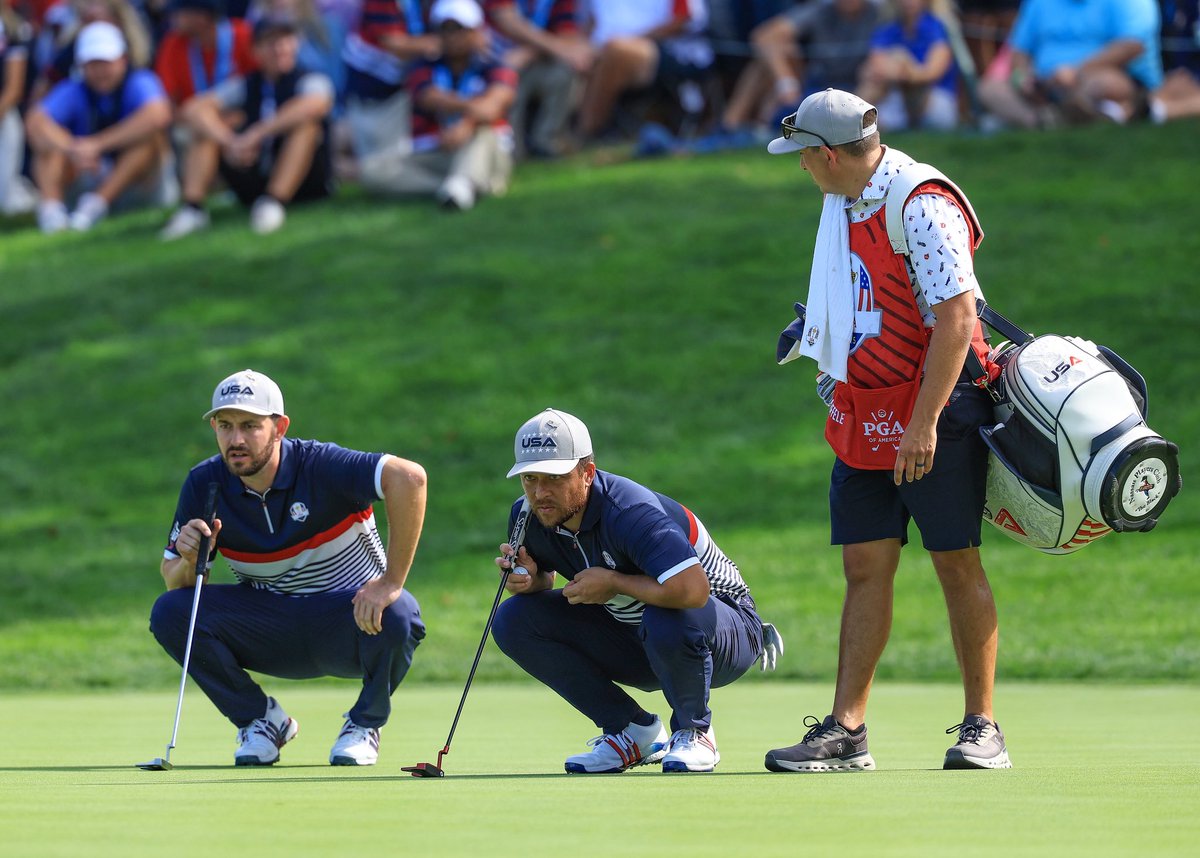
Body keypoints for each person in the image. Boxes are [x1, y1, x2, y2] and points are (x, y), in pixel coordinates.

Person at [763, 88, 1011, 772]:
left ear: (830, 154)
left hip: (938, 406)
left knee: (955, 559)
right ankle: (847, 731)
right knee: (863, 565)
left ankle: (983, 726)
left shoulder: (920, 204)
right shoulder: (840, 200)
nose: (801, 169)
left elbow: (958, 319)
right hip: (865, 404)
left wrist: (925, 423)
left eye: (804, 158)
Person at [149, 368, 427, 767]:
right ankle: (260, 721)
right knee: (170, 612)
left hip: (349, 620)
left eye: (249, 426)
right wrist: (191, 559)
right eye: (224, 426)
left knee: (400, 610)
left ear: (279, 427)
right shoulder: (205, 482)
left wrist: (391, 581)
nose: (236, 440)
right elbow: (177, 584)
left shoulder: (322, 465)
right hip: (271, 625)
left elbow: (410, 478)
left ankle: (364, 724)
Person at [491, 408, 781, 774]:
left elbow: (692, 591)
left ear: (587, 473)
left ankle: (695, 731)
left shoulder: (629, 511)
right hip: (641, 637)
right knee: (513, 619)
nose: (540, 492)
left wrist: (613, 583)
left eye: (554, 478)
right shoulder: (529, 515)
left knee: (663, 610)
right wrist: (529, 580)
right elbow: (545, 580)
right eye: (529, 478)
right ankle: (631, 731)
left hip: (725, 631)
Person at [160, 14, 335, 238]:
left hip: (308, 182)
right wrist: (231, 141)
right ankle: (192, 208)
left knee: (306, 126)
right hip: (254, 172)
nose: (280, 48)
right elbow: (195, 109)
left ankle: (274, 202)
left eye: (286, 40)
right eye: (271, 43)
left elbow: (315, 105)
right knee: (206, 130)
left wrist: (257, 133)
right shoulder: (248, 84)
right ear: (256, 51)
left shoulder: (310, 79)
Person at [358, 0, 515, 211]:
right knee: (372, 172)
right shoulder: (422, 68)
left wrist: (467, 124)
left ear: (477, 31)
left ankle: (464, 184)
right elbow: (429, 97)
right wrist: (473, 107)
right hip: (437, 151)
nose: (454, 37)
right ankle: (459, 187)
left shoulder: (495, 66)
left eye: (461, 30)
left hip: (485, 149)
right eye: (446, 30)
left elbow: (492, 107)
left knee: (482, 132)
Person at [26, 20, 176, 232]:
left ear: (123, 59)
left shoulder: (140, 81)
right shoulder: (74, 89)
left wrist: (98, 144)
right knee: (47, 146)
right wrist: (72, 148)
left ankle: (96, 204)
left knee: (150, 141)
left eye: (106, 62)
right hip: (89, 172)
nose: (99, 71)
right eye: (92, 64)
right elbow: (36, 121)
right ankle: (52, 213)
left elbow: (158, 115)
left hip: (139, 183)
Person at [976, 0, 1162, 128]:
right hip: (1044, 85)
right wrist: (1023, 78)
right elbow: (1019, 50)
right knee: (990, 88)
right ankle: (1041, 121)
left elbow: (1133, 46)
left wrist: (1076, 71)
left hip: (1095, 78)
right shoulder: (1039, 3)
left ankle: (1079, 113)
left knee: (1105, 83)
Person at [715, 0, 883, 138]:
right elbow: (763, 36)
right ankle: (730, 128)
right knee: (778, 52)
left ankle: (852, 126)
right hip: (815, 88)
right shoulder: (821, 9)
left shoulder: (879, 14)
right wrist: (786, 82)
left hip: (860, 90)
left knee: (879, 69)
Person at [575, 0, 714, 142]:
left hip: (672, 50)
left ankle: (586, 131)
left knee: (617, 52)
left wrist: (633, 40)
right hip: (603, 49)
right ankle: (572, 129)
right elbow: (589, 22)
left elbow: (684, 20)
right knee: (579, 56)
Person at [483, 0, 589, 158]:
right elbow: (508, 21)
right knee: (507, 80)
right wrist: (558, 48)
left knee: (563, 73)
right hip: (492, 63)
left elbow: (568, 37)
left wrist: (529, 52)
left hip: (536, 63)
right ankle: (510, 149)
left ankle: (548, 141)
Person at [856, 0, 959, 131]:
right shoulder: (889, 28)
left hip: (934, 100)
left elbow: (932, 72)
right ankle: (854, 121)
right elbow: (875, 65)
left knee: (898, 57)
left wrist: (904, 66)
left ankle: (850, 119)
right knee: (874, 75)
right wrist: (900, 69)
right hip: (897, 95)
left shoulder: (938, 27)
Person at [155, 0, 257, 109]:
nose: (173, 18)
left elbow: (262, 83)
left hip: (244, 114)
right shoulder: (173, 43)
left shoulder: (243, 35)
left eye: (180, 12)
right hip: (192, 120)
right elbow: (169, 101)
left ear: (202, 17)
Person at [0, 0, 35, 215]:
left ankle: (30, 196)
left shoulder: (14, 30)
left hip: (4, 115)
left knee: (6, 203)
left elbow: (14, 89)